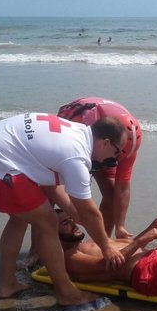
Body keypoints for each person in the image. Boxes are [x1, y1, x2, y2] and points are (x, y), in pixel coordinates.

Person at [0, 113, 128, 305]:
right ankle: (66, 293)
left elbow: (51, 186)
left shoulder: (76, 132)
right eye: (117, 152)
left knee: (20, 217)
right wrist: (106, 246)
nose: (115, 160)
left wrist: (74, 212)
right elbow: (89, 211)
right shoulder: (77, 156)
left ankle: (7, 284)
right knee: (47, 222)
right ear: (105, 143)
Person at [57, 97, 143, 239]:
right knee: (49, 199)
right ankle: (37, 249)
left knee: (111, 195)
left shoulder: (129, 149)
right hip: (75, 135)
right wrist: (73, 211)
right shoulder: (80, 134)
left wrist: (120, 225)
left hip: (106, 144)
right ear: (107, 143)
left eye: (118, 159)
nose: (113, 162)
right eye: (115, 156)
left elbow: (122, 188)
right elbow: (55, 187)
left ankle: (103, 242)